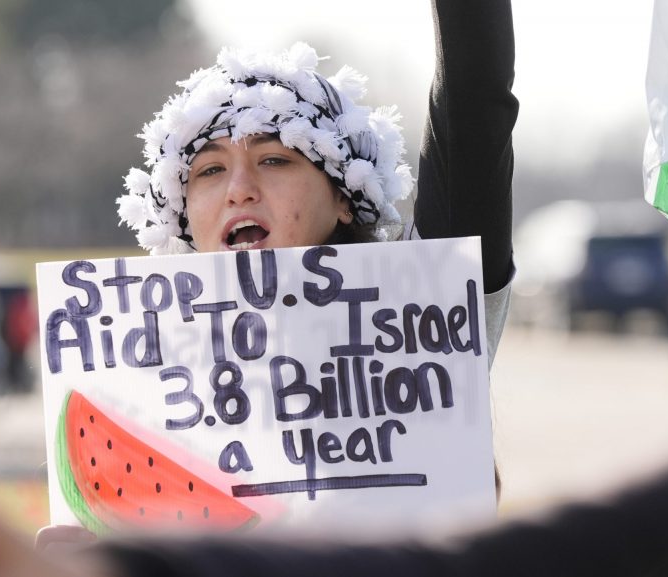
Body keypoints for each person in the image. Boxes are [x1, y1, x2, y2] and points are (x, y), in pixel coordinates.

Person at [35, 0, 518, 550]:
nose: (239, 188)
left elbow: (475, 102)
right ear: (185, 213)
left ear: (343, 195)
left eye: (274, 160)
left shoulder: (425, 294)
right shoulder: (135, 367)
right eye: (211, 170)